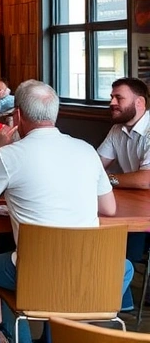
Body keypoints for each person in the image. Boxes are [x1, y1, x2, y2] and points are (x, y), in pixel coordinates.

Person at [0, 80, 134, 343]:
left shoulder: (9, 155)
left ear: (18, 115)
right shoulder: (86, 151)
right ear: (56, 114)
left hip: (36, 272)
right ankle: (72, 325)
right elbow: (109, 208)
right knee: (124, 267)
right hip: (85, 269)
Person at [97, 77, 150, 311]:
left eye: (119, 97)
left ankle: (111, 301)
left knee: (118, 235)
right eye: (112, 97)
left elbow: (146, 180)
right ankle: (118, 301)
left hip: (144, 214)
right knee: (104, 227)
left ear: (139, 103)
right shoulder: (117, 129)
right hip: (135, 204)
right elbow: (96, 165)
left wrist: (107, 180)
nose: (112, 102)